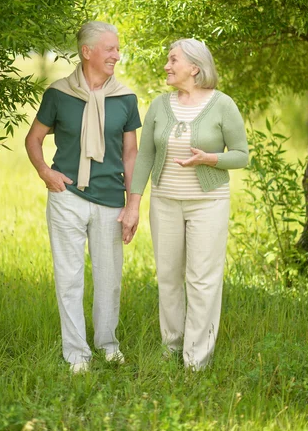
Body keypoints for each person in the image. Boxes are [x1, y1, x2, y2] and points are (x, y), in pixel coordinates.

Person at [121, 39, 248, 371]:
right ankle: (172, 345)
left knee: (202, 278)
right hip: (165, 202)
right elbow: (145, 155)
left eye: (172, 59)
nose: (166, 65)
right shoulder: (160, 106)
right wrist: (132, 205)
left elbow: (241, 155)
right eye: (167, 59)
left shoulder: (223, 105)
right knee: (168, 276)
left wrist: (211, 158)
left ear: (194, 66)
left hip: (208, 203)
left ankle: (197, 358)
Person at [25, 21, 141, 373]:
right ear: (87, 52)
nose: (116, 56)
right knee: (69, 277)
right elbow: (34, 139)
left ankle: (108, 345)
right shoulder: (59, 94)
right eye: (110, 49)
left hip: (110, 199)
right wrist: (46, 172)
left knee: (109, 278)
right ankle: (76, 353)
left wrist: (133, 203)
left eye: (117, 49)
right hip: (67, 196)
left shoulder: (125, 98)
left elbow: (131, 153)